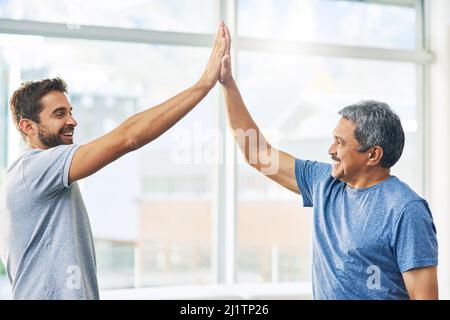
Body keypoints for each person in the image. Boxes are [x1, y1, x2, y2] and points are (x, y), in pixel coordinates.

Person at [0, 22, 228, 300]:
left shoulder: (41, 173)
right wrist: (203, 85)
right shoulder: (33, 169)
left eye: (70, 111)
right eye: (59, 114)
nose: (72, 120)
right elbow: (127, 138)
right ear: (28, 126)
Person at [218, 25, 438, 300]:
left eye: (341, 142)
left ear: (373, 155)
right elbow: (257, 154)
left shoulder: (406, 210)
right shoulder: (325, 182)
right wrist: (227, 84)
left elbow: (424, 297)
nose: (330, 149)